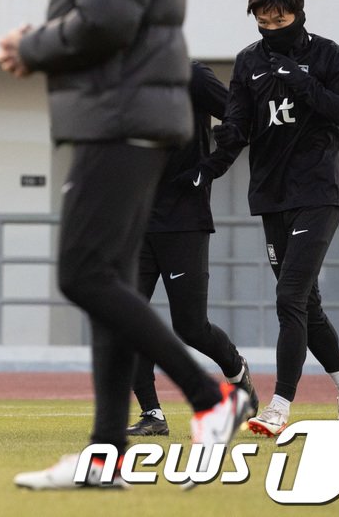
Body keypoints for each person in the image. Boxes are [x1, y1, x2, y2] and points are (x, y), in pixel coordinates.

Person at [0, 0, 251, 489]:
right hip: (120, 118)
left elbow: (107, 21)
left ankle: (212, 396)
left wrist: (33, 45)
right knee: (105, 281)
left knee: (81, 276)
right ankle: (105, 454)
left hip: (122, 121)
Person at [188, 0, 339, 437]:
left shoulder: (326, 55)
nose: (271, 26)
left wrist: (305, 84)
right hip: (270, 195)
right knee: (307, 303)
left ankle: (279, 407)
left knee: (288, 297)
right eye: (263, 20)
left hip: (317, 192)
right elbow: (236, 127)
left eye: (279, 18)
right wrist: (210, 166)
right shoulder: (248, 63)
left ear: (298, 12)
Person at [126, 61, 258, 438]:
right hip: (134, 223)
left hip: (183, 220)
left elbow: (241, 120)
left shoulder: (193, 76)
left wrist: (211, 167)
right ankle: (152, 414)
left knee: (190, 326)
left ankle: (237, 372)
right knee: (128, 319)